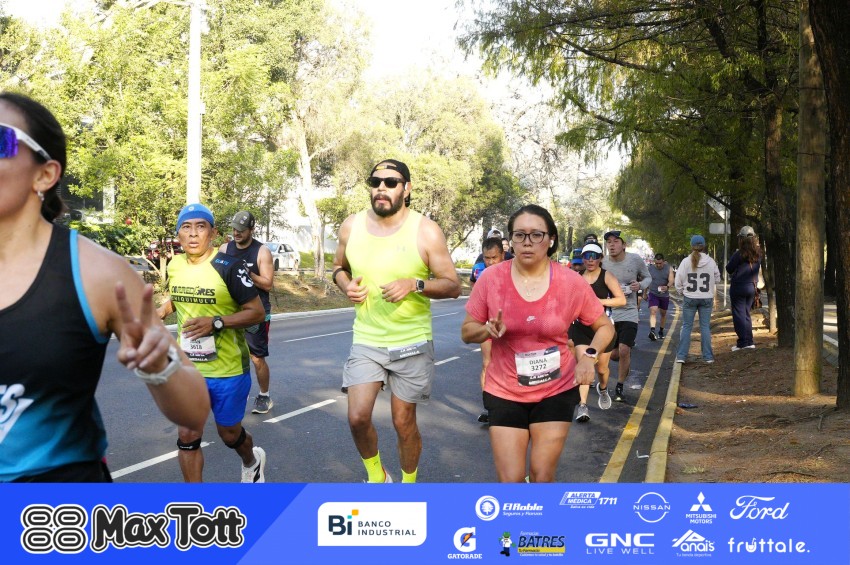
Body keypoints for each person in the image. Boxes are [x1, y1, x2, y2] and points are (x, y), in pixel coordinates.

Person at [0, 92, 209, 482]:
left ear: (45, 174)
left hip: (57, 509)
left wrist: (160, 367)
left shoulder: (97, 273)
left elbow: (194, 413)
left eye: (0, 140)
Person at [461, 204, 614, 482]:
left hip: (555, 389)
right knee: (511, 480)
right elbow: (467, 332)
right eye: (519, 235)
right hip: (505, 390)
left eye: (536, 235)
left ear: (551, 239)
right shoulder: (491, 279)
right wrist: (486, 330)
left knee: (542, 476)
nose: (527, 242)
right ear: (511, 240)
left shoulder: (570, 282)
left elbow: (604, 327)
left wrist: (589, 356)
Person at [332, 159, 461, 483]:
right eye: (375, 181)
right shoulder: (351, 226)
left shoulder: (426, 231)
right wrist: (345, 285)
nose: (381, 188)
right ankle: (378, 478)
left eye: (391, 182)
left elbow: (452, 285)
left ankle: (408, 485)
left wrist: (414, 284)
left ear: (407, 188)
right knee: (357, 417)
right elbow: (338, 267)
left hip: (412, 341)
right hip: (367, 339)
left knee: (403, 422)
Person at [157, 203, 268, 482]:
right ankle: (197, 502)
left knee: (229, 434)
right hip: (187, 369)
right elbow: (181, 297)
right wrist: (162, 309)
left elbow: (256, 312)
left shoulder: (229, 267)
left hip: (227, 369)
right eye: (186, 227)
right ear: (178, 234)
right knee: (187, 436)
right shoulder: (175, 265)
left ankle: (252, 461)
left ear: (213, 233)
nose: (193, 234)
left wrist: (216, 322)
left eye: (201, 227)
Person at [220, 210, 276, 414]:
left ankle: (264, 395)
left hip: (255, 313)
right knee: (230, 354)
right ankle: (234, 393)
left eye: (241, 230)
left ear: (251, 230)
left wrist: (248, 273)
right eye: (234, 229)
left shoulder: (261, 252)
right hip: (231, 311)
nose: (236, 233)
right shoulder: (225, 248)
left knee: (256, 357)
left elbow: (268, 284)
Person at [568, 242, 626, 422]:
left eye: (594, 256)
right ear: (582, 259)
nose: (590, 260)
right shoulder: (576, 278)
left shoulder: (606, 276)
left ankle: (603, 388)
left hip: (603, 328)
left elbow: (621, 300)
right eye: (587, 256)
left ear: (601, 258)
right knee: (584, 364)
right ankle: (583, 406)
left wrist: (598, 302)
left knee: (601, 369)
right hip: (581, 329)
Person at [601, 230, 650, 402]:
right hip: (609, 312)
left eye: (616, 241)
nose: (612, 245)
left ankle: (620, 386)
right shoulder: (603, 263)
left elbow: (648, 278)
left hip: (629, 311)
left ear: (623, 245)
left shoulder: (634, 260)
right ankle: (623, 359)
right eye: (609, 242)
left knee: (624, 349)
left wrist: (639, 285)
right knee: (614, 354)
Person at [472, 237, 507, 423]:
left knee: (509, 365)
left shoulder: (512, 271)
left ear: (502, 255)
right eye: (487, 258)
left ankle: (511, 404)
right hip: (487, 324)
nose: (491, 262)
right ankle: (489, 408)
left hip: (509, 326)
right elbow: (473, 292)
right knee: (487, 364)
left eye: (494, 257)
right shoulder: (480, 272)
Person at [675, 235, 722, 363]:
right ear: (704, 246)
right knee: (705, 327)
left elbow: (678, 281)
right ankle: (708, 357)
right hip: (706, 298)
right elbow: (717, 279)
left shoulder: (686, 261)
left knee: (687, 326)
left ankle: (681, 356)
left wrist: (681, 292)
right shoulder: (711, 261)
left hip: (690, 297)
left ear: (691, 246)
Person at [725, 226, 761, 351]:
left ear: (741, 239)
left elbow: (729, 268)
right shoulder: (758, 254)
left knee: (739, 315)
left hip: (738, 288)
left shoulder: (739, 254)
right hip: (752, 287)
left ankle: (742, 343)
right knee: (746, 314)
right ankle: (749, 342)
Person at [647, 253, 674, 341]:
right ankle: (652, 331)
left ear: (664, 262)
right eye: (656, 263)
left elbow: (671, 280)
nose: (658, 265)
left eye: (660, 263)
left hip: (664, 295)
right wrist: (644, 293)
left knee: (663, 313)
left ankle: (661, 331)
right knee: (653, 311)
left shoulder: (668, 268)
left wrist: (667, 287)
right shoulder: (650, 268)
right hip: (653, 293)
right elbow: (647, 280)